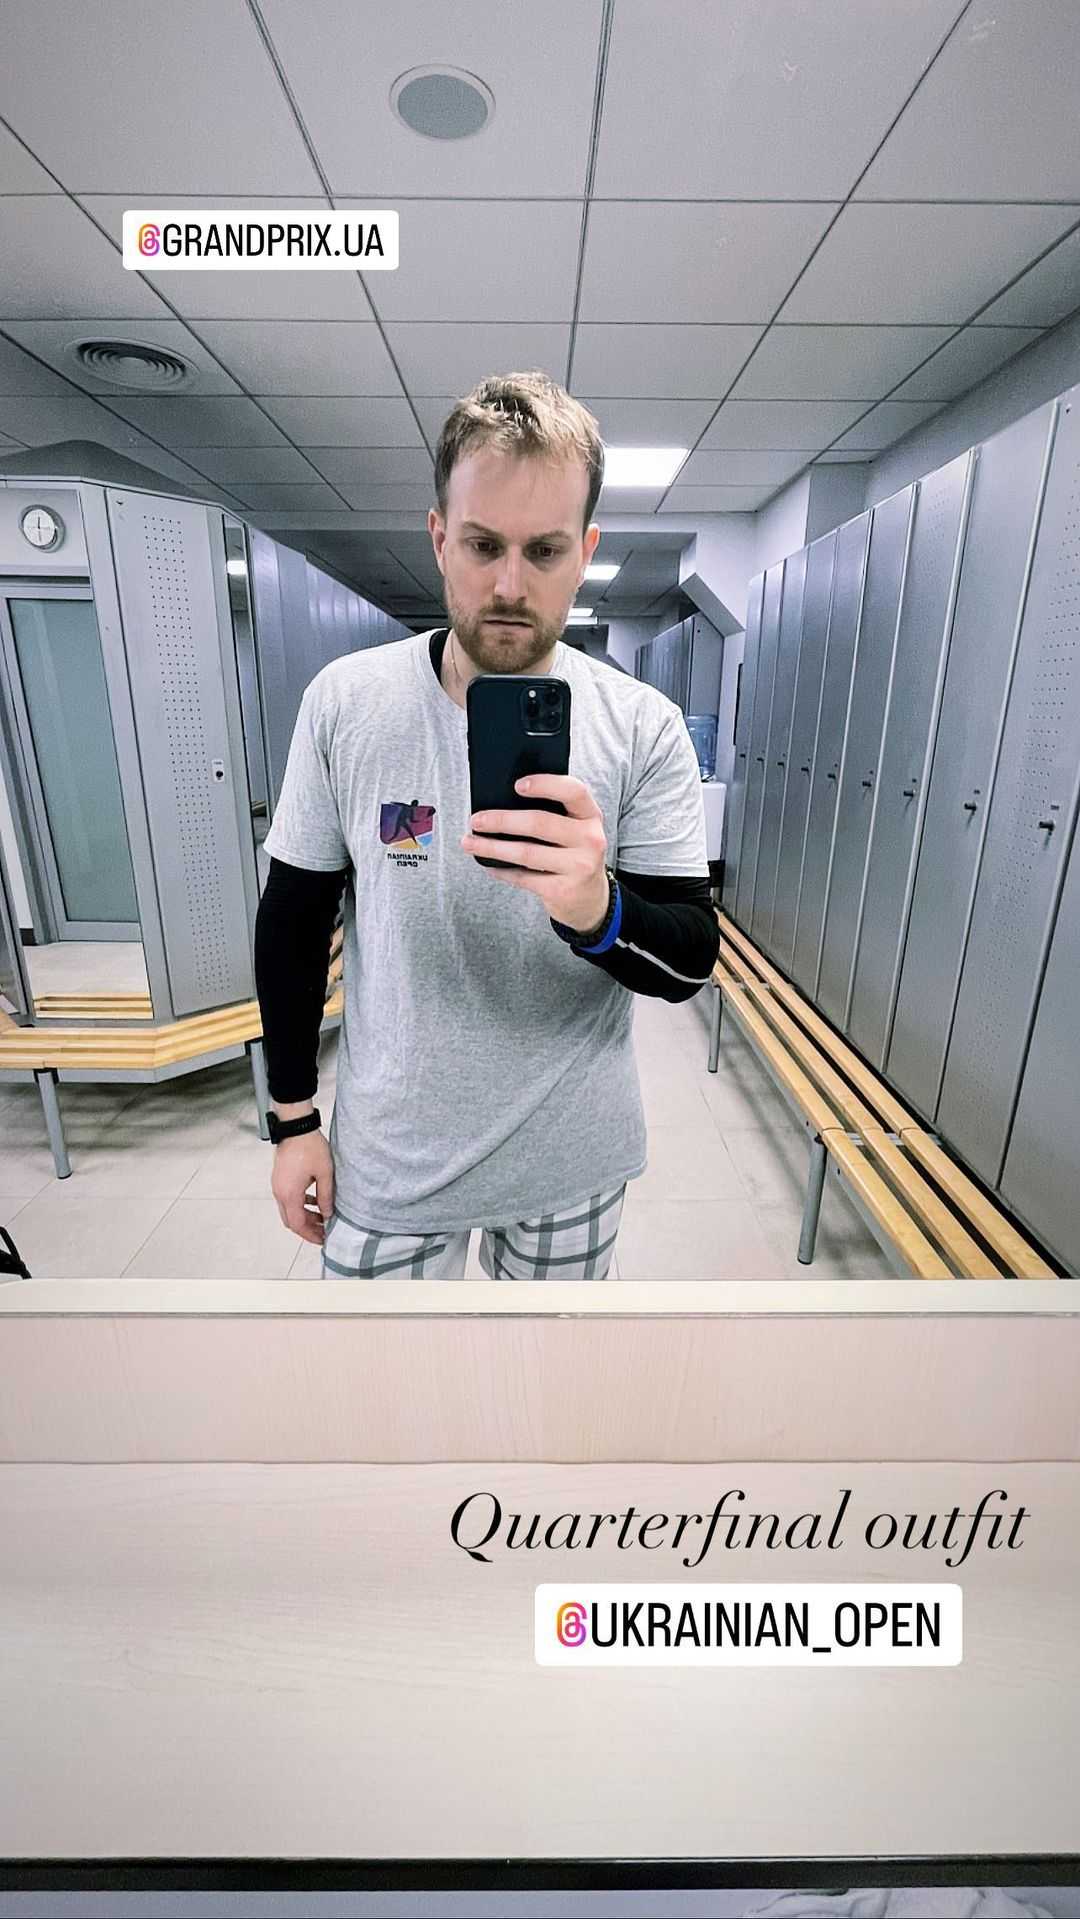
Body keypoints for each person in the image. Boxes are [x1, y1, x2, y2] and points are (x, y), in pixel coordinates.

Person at [254, 370, 720, 1281]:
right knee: (375, 1379)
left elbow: (690, 960)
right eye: (482, 545)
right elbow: (294, 922)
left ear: (585, 552)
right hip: (390, 1163)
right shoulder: (346, 703)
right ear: (439, 538)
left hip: (570, 1164)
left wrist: (597, 909)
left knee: (545, 1382)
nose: (509, 585)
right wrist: (294, 1117)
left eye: (544, 550)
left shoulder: (643, 727)